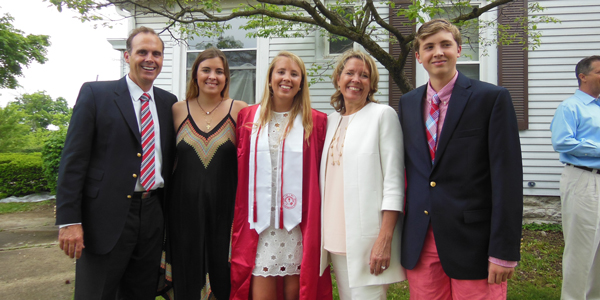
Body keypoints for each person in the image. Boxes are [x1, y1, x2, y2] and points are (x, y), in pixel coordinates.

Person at [398, 19, 523, 299]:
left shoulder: (492, 98)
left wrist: (503, 252)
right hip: (421, 240)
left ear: (459, 49)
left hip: (474, 242)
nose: (438, 52)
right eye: (429, 47)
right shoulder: (407, 104)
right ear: (419, 57)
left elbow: (508, 178)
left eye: (445, 44)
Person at [55, 26, 177, 300]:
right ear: (127, 56)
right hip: (105, 217)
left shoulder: (168, 103)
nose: (150, 59)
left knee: (140, 292)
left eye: (156, 54)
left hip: (153, 213)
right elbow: (73, 162)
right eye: (142, 52)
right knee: (97, 293)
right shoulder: (96, 95)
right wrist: (69, 220)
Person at [230, 51, 332, 300]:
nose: (287, 78)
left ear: (301, 83)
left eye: (294, 74)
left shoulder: (316, 122)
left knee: (297, 293)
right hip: (260, 225)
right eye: (281, 72)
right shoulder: (248, 119)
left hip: (298, 226)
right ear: (269, 78)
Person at [318, 50, 406, 300]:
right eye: (350, 73)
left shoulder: (382, 116)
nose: (356, 79)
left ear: (372, 83)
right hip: (335, 236)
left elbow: (394, 183)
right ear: (338, 78)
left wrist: (384, 239)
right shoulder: (330, 121)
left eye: (364, 75)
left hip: (368, 239)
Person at [165, 47, 247, 299]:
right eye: (206, 70)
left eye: (219, 71)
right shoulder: (177, 110)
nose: (213, 76)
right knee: (187, 278)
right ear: (195, 75)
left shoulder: (240, 110)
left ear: (226, 77)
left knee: (223, 277)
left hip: (226, 214)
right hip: (183, 213)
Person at [550, 55, 600, 300]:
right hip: (583, 180)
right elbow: (562, 142)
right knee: (582, 249)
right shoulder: (570, 107)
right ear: (583, 76)